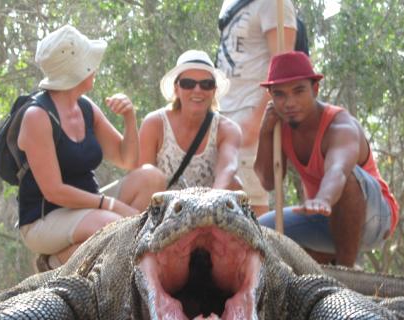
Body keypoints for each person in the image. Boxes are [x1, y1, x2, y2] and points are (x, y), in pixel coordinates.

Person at [17, 25, 165, 271]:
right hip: (45, 218)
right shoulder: (37, 116)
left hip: (89, 207)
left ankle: (123, 262)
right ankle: (54, 262)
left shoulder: (85, 107)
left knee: (152, 177)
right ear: (78, 70)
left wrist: (129, 117)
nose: (95, 67)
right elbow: (54, 191)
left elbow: (127, 160)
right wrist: (109, 204)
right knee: (113, 226)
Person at [254, 51, 399, 267]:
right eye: (280, 94)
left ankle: (346, 271)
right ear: (271, 97)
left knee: (350, 179)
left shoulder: (340, 126)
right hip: (326, 219)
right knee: (260, 231)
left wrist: (323, 198)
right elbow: (267, 181)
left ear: (315, 89)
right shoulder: (279, 127)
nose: (289, 102)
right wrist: (265, 133)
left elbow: (338, 170)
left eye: (298, 91)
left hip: (374, 220)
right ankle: (323, 267)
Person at [216, 0, 298, 216]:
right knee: (222, 202)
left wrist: (258, 120)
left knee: (250, 202)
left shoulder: (274, 3)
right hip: (223, 113)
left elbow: (284, 67)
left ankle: (260, 250)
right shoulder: (229, 3)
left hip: (249, 111)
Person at [139, 50, 242, 191]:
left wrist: (212, 202)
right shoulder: (154, 124)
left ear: (214, 91)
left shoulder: (227, 130)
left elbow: (228, 169)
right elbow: (143, 180)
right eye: (188, 83)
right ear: (177, 89)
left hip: (210, 207)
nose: (198, 90)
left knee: (236, 185)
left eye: (206, 84)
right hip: (162, 209)